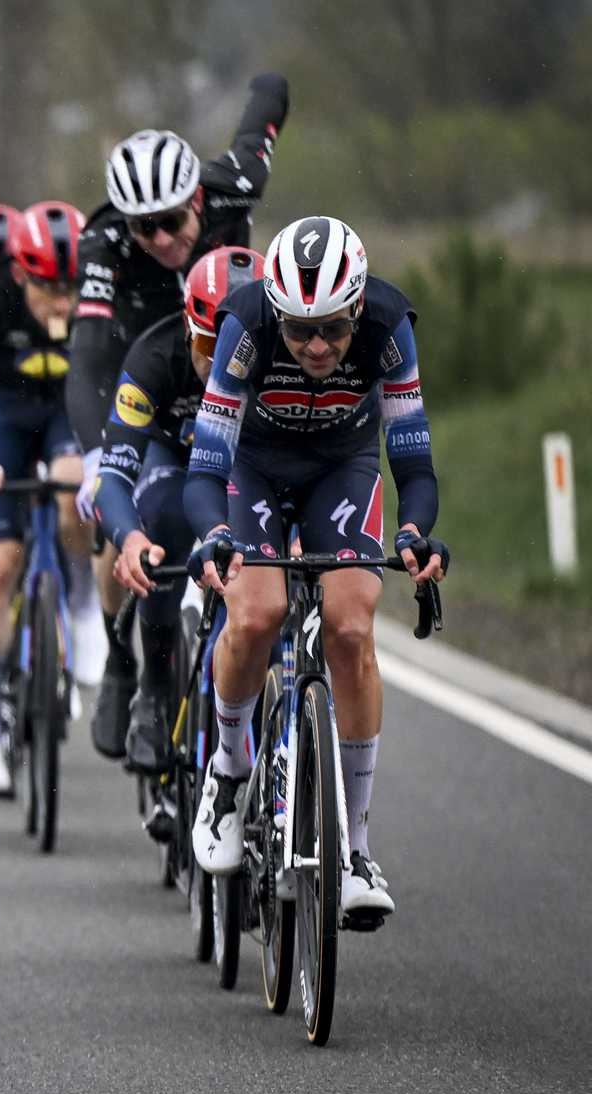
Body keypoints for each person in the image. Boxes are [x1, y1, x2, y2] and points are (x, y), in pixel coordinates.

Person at [183, 216, 449, 920]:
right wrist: (214, 533)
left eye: (332, 328)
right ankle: (229, 771)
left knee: (352, 628)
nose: (318, 346)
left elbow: (413, 458)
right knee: (258, 612)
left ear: (357, 306)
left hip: (343, 466)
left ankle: (354, 848)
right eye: (300, 331)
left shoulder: (389, 327)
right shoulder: (245, 325)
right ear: (277, 313)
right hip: (252, 468)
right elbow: (206, 464)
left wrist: (415, 532)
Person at [71, 73, 291, 760]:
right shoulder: (105, 243)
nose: (162, 239)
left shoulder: (234, 185)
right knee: (137, 524)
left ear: (198, 199)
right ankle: (129, 669)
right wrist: (97, 454)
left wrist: (268, 83)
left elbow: (262, 119)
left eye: (171, 221)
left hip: (233, 361)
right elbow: (88, 356)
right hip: (149, 369)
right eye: (145, 228)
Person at [98, 246, 265, 782]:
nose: (224, 364)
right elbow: (113, 475)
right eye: (210, 346)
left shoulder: (284, 361)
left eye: (242, 349)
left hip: (245, 466)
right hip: (170, 456)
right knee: (163, 523)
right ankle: (153, 686)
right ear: (188, 329)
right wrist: (129, 539)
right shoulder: (153, 357)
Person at [0, 201, 89, 794]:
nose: (62, 304)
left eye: (71, 289)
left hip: (61, 416)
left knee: (75, 484)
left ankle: (81, 604)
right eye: (49, 289)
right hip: (0, 420)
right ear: (20, 274)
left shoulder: (93, 300)